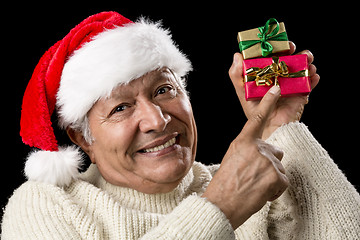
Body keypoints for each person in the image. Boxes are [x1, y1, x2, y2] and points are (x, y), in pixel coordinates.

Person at [1, 11, 359, 239]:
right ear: (84, 138)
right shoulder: (47, 204)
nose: (157, 119)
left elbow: (346, 230)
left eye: (163, 90)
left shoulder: (250, 183)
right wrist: (219, 208)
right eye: (122, 107)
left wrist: (281, 126)